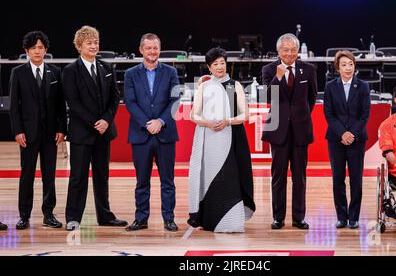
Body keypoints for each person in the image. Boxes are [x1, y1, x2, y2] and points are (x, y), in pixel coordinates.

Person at [63, 25, 127, 230]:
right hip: (82, 133)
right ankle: (73, 217)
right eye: (89, 42)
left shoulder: (107, 67)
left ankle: (105, 215)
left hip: (103, 132)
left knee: (102, 176)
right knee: (78, 177)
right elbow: (73, 103)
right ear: (79, 46)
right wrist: (94, 122)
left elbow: (115, 98)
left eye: (96, 42)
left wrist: (107, 120)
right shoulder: (70, 70)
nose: (94, 46)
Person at [188, 47, 255, 233]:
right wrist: (208, 123)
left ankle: (233, 220)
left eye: (222, 63)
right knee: (211, 178)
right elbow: (193, 115)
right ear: (209, 67)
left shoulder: (236, 85)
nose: (220, 67)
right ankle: (209, 219)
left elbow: (246, 115)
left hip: (234, 138)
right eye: (215, 64)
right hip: (209, 140)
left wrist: (228, 121)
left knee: (233, 177)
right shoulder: (204, 86)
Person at [9, 31, 67, 230]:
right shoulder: (18, 72)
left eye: (40, 47)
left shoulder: (55, 72)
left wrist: (62, 129)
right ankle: (24, 215)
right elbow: (14, 106)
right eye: (33, 48)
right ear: (27, 51)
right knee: (27, 175)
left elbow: (61, 104)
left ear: (46, 50)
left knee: (49, 175)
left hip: (51, 133)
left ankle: (48, 214)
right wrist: (17, 131)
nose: (37, 51)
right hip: (28, 133)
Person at [124, 33, 180, 232]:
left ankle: (169, 218)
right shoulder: (130, 73)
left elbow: (175, 101)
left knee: (168, 181)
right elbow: (130, 102)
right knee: (142, 181)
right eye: (148, 48)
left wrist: (161, 121)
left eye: (155, 48)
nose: (152, 52)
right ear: (141, 50)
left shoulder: (171, 72)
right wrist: (148, 123)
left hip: (165, 134)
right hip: (141, 134)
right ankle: (141, 218)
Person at [261, 33, 317, 230]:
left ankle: (299, 217)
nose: (290, 53)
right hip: (278, 130)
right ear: (278, 51)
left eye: (293, 50)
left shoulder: (308, 69)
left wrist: (298, 117)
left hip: (301, 129)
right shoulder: (268, 69)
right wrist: (278, 76)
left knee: (299, 176)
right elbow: (267, 96)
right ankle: (278, 217)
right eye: (285, 50)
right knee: (278, 176)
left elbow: (311, 99)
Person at [323, 51, 370, 229]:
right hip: (335, 139)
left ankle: (354, 217)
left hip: (357, 139)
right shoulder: (330, 86)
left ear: (354, 66)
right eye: (344, 64)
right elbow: (328, 113)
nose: (348, 68)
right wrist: (342, 133)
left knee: (356, 179)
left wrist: (351, 134)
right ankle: (341, 217)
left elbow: (365, 115)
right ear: (338, 68)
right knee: (338, 178)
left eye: (350, 64)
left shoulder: (363, 86)